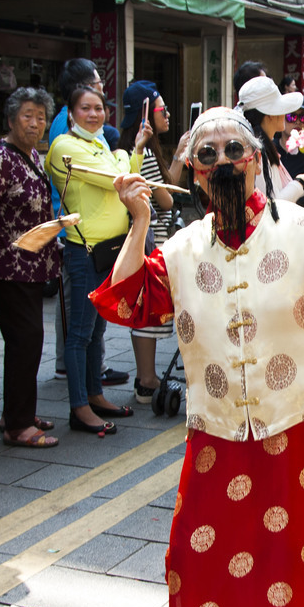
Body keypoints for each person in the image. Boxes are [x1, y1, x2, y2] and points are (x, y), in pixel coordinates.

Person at [91, 106, 304, 607]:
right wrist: (140, 220)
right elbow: (125, 302)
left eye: (233, 150)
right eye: (207, 153)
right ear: (194, 172)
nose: (221, 160)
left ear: (256, 161)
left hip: (301, 417)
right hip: (218, 425)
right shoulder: (180, 250)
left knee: (283, 549)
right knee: (201, 545)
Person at [45, 85, 139, 435]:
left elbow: (126, 168)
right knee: (80, 334)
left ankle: (95, 395)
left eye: (99, 108)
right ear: (71, 114)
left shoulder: (100, 144)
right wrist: (118, 160)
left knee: (97, 329)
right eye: (86, 108)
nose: (94, 114)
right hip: (83, 251)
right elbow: (116, 179)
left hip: (109, 250)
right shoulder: (64, 146)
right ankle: (79, 406)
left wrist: (130, 153)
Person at [0, 88, 62, 447]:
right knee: (26, 340)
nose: (36, 123)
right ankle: (18, 425)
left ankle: (17, 413)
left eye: (41, 117)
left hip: (30, 265)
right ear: (11, 119)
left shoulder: (31, 155)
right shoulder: (0, 158)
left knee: (24, 341)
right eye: (28, 115)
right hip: (5, 266)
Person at [120, 80, 187, 403]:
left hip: (153, 235)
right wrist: (180, 155)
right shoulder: (143, 151)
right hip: (152, 237)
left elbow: (167, 185)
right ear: (144, 114)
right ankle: (146, 379)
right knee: (148, 306)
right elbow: (167, 199)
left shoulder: (145, 148)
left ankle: (146, 378)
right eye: (162, 109)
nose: (168, 114)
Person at [238, 76, 304, 205]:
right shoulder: (257, 151)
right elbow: (273, 205)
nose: (285, 113)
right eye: (287, 113)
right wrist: (302, 181)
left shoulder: (261, 147)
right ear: (269, 115)